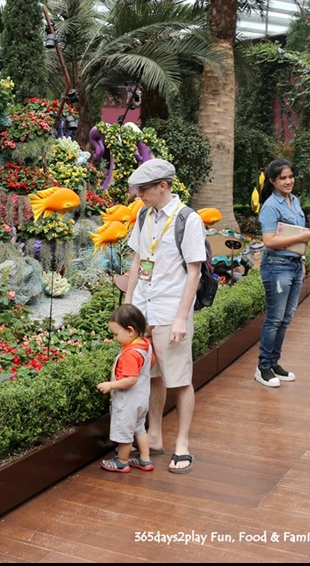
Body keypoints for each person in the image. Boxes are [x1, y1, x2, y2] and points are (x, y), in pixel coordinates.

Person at [125, 158, 206, 474]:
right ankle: (154, 437)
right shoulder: (144, 215)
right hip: (145, 312)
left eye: (144, 189)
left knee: (180, 380)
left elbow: (194, 272)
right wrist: (129, 308)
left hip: (171, 311)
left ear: (163, 186)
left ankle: (182, 445)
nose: (139, 195)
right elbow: (136, 262)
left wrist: (181, 318)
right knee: (154, 376)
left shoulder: (188, 219)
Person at [255, 158, 310, 388]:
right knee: (274, 319)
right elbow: (269, 240)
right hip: (276, 267)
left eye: (290, 176)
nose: (288, 181)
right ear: (273, 181)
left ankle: (273, 363)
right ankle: (262, 367)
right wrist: (301, 238)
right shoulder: (271, 206)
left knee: (286, 318)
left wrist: (302, 257)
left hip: (294, 265)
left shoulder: (295, 201)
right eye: (283, 178)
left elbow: (297, 233)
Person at [97, 304, 154, 474]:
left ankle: (122, 461)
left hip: (128, 401)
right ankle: (145, 459)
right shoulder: (145, 344)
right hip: (142, 399)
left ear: (130, 330)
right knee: (139, 428)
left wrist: (110, 385)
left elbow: (130, 380)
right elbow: (149, 364)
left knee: (125, 432)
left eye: (116, 334)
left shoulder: (130, 354)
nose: (115, 338)